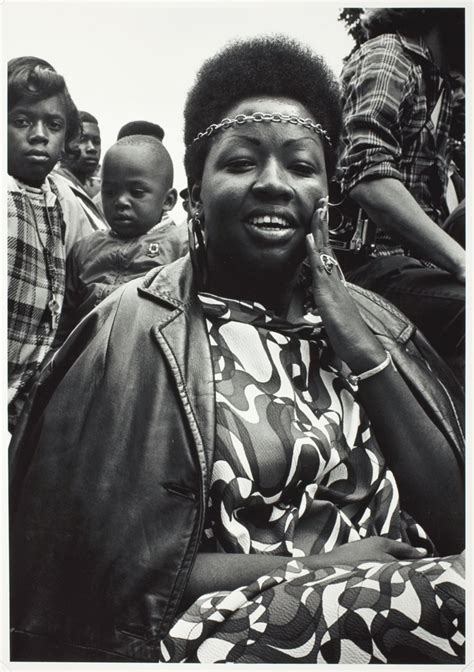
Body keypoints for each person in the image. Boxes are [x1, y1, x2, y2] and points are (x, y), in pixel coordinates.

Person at [9, 36, 464, 664]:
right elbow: (103, 573)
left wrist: (358, 341)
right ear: (195, 195)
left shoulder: (374, 321)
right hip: (228, 629)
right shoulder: (130, 332)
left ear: (326, 196)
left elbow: (457, 519)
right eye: (242, 162)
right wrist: (319, 567)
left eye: (302, 167)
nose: (275, 183)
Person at [335, 8, 465, 384]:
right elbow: (367, 178)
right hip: (362, 263)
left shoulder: (441, 84)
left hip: (408, 263)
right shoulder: (391, 56)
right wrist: (461, 263)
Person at [7, 56, 94, 430]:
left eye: (54, 125)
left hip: (31, 386)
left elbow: (90, 255)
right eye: (22, 121)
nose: (40, 134)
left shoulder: (61, 196)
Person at [55, 135, 187, 343]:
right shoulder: (86, 248)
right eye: (110, 192)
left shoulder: (182, 246)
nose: (121, 201)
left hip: (149, 356)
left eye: (137, 192)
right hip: (85, 355)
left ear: (168, 200)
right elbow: (65, 317)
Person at [55, 110, 108, 230]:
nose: (92, 148)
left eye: (96, 142)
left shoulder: (80, 190)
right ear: (62, 144)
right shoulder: (55, 189)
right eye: (82, 140)